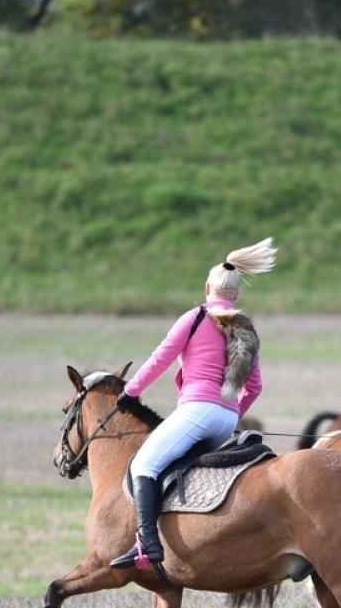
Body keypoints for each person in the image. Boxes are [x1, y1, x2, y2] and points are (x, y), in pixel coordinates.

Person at [110, 239, 276, 570]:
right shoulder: (244, 327)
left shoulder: (195, 318)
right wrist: (231, 413)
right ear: (236, 295)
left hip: (196, 411)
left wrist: (131, 391)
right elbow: (255, 385)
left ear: (206, 288)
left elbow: (161, 358)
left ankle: (147, 545)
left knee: (145, 465)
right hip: (226, 419)